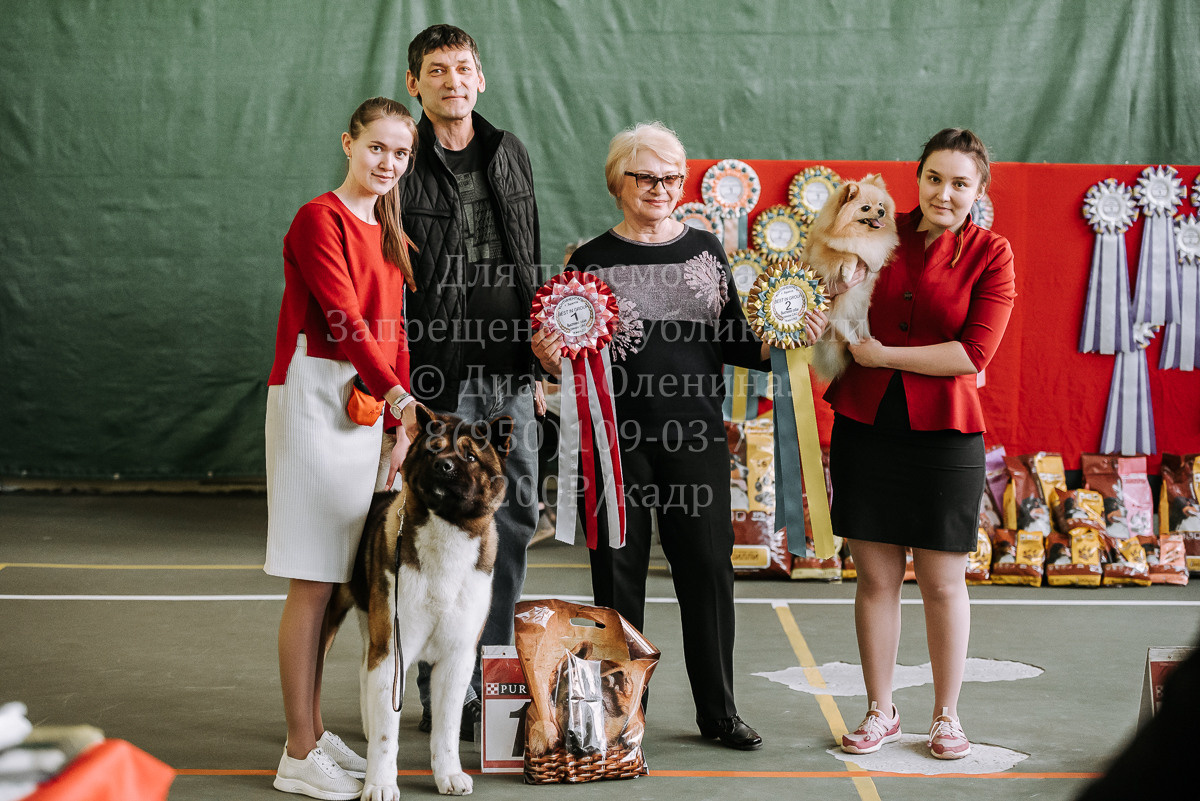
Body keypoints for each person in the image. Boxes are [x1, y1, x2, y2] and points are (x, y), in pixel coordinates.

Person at [532, 122, 826, 751]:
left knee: (707, 575)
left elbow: (733, 340)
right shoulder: (590, 261)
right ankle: (620, 715)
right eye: (645, 176)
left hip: (695, 438)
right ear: (618, 182)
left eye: (671, 176)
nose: (661, 187)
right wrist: (549, 355)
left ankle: (718, 713)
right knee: (617, 577)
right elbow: (569, 357)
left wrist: (789, 333)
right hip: (617, 445)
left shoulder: (705, 249)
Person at [826, 128, 1016, 760]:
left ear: (979, 191)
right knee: (875, 581)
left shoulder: (994, 254)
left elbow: (973, 353)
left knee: (942, 583)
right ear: (918, 178)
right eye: (934, 178)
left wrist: (883, 356)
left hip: (946, 435)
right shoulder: (878, 227)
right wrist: (826, 284)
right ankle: (881, 711)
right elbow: (830, 286)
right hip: (866, 424)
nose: (944, 192)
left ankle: (946, 716)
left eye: (961, 183)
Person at [264, 97, 420, 800]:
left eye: (401, 153)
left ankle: (316, 729)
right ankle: (297, 751)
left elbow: (393, 332)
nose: (388, 163)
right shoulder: (316, 218)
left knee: (336, 583)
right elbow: (342, 318)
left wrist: (398, 417)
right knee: (314, 578)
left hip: (366, 407)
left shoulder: (389, 228)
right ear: (349, 143)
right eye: (377, 148)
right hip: (311, 395)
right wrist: (399, 398)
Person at [398, 23, 543, 738]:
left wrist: (541, 361)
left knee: (511, 521)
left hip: (512, 372)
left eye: (463, 68)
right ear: (414, 85)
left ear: (480, 78)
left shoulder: (509, 151)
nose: (453, 80)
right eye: (437, 70)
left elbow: (530, 257)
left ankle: (490, 680)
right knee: (442, 529)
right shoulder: (403, 160)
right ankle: (439, 687)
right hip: (440, 379)